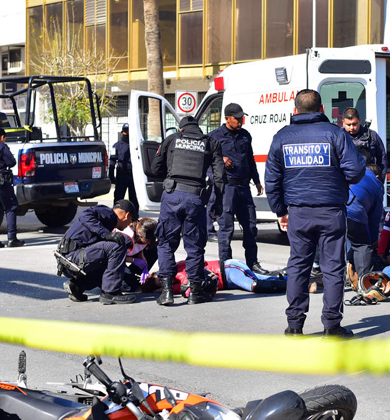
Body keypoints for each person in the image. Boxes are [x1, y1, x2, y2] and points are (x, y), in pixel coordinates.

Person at [265, 89, 365, 338]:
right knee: (332, 268)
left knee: (298, 266)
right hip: (331, 210)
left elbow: (272, 179)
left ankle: (295, 325)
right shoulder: (335, 134)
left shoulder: (282, 137)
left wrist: (279, 210)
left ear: (295, 110)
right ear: (322, 109)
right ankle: (331, 327)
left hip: (298, 211)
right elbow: (356, 171)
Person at [151, 116, 226, 305]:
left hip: (172, 196)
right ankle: (195, 293)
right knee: (195, 246)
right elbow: (219, 176)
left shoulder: (172, 139)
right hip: (195, 198)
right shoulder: (211, 142)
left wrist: (170, 176)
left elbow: (155, 167)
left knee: (166, 244)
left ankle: (167, 293)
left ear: (181, 128)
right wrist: (218, 203)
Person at [209, 103, 269, 277]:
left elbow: (250, 159)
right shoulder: (214, 137)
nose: (240, 121)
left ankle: (253, 263)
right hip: (227, 188)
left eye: (242, 117)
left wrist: (257, 181)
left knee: (250, 227)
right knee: (226, 229)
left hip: (244, 187)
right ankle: (226, 267)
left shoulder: (245, 135)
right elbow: (207, 164)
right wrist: (221, 159)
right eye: (237, 118)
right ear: (227, 118)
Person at [57, 200, 137, 304]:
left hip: (70, 261)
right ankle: (110, 294)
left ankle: (77, 286)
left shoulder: (109, 222)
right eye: (132, 219)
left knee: (109, 262)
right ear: (127, 215)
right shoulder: (109, 213)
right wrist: (106, 234)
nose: (130, 224)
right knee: (117, 246)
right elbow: (85, 215)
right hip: (73, 258)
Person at [346, 164, 383, 279]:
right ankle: (364, 282)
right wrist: (372, 241)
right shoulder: (377, 183)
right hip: (353, 210)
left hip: (332, 208)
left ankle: (337, 278)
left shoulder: (352, 171)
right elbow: (375, 218)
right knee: (362, 245)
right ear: (377, 176)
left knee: (333, 242)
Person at [342, 107, 387, 181]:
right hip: (347, 182)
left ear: (359, 121)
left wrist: (380, 181)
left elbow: (382, 159)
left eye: (354, 124)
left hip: (369, 180)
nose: (352, 127)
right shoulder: (339, 137)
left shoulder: (372, 136)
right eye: (348, 125)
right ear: (343, 122)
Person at [116, 217, 158, 293]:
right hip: (115, 259)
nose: (148, 243)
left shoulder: (145, 236)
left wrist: (142, 257)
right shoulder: (127, 237)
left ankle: (135, 275)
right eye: (147, 240)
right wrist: (133, 260)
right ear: (140, 235)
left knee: (154, 250)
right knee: (130, 286)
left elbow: (140, 246)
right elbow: (114, 256)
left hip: (127, 253)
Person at [109, 123, 139, 213]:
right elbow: (112, 161)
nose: (127, 133)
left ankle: (133, 218)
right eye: (125, 131)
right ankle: (115, 217)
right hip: (122, 175)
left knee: (134, 198)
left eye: (129, 131)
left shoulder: (136, 145)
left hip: (134, 176)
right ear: (122, 132)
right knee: (119, 198)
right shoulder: (117, 145)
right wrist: (111, 175)